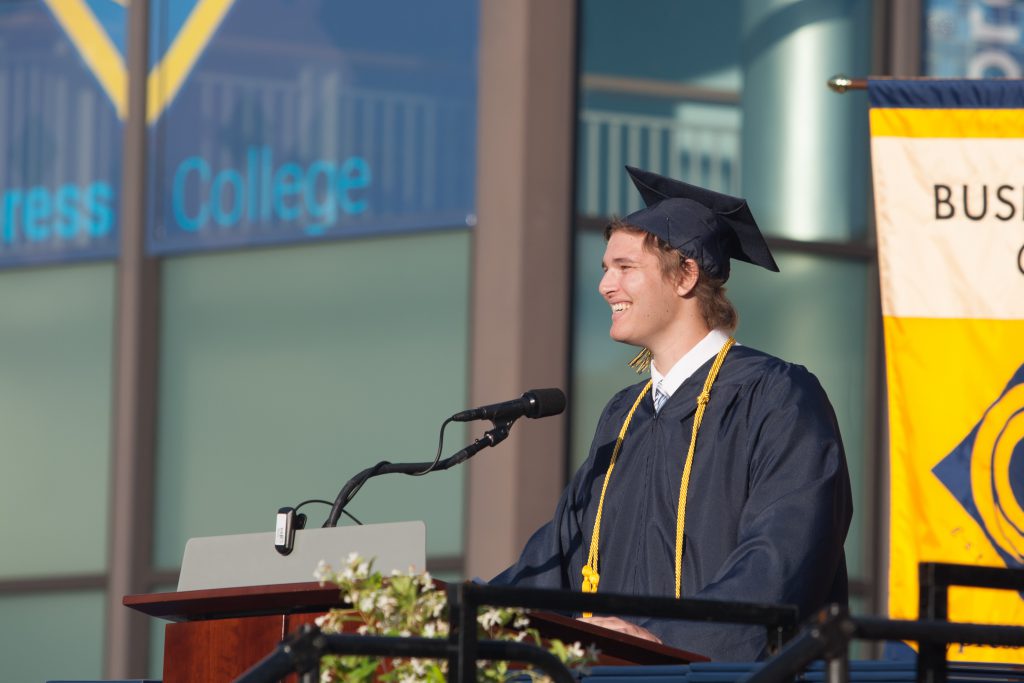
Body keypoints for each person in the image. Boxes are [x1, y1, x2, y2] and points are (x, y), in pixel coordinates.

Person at [491, 166, 853, 662]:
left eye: (624, 267)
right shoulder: (625, 414)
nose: (605, 286)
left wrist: (666, 638)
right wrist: (445, 611)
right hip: (615, 673)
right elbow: (552, 559)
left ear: (685, 275)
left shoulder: (778, 397)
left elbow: (783, 557)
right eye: (604, 268)